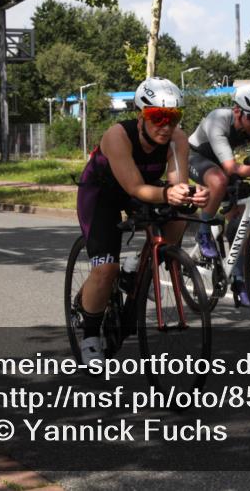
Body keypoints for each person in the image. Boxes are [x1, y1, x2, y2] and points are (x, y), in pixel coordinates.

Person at [75, 77, 209, 363]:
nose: (166, 125)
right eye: (157, 117)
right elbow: (136, 188)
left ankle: (138, 268)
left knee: (181, 212)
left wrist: (190, 196)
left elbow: (177, 184)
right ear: (141, 116)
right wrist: (168, 193)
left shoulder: (177, 139)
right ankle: (89, 335)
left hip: (142, 190)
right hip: (102, 194)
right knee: (105, 269)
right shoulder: (117, 136)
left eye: (173, 118)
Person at [187, 84, 250, 306]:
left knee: (241, 217)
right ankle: (203, 233)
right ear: (237, 111)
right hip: (196, 158)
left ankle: (239, 279)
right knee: (219, 180)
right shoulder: (217, 119)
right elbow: (231, 168)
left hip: (224, 163)